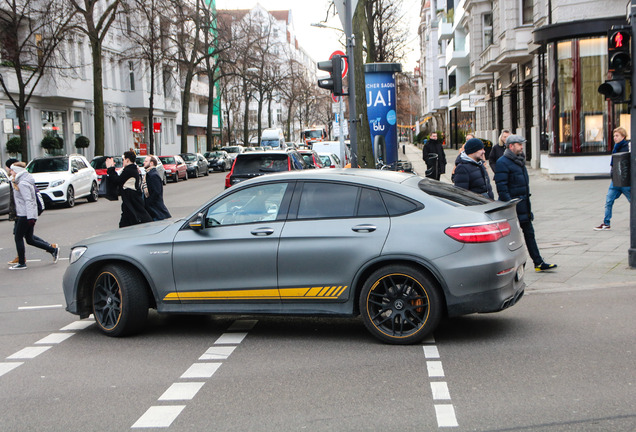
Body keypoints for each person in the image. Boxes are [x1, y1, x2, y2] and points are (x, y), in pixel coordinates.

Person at [495, 134, 557, 272]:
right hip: (513, 209)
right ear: (511, 146)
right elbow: (502, 188)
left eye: (522, 144)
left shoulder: (519, 160)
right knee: (511, 240)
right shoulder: (503, 162)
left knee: (530, 234)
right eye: (519, 144)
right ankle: (510, 267)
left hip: (524, 206)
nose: (522, 147)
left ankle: (538, 262)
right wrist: (511, 206)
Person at [7, 162, 59, 270]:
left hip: (25, 214)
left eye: (12, 170)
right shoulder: (22, 181)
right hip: (27, 214)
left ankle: (22, 263)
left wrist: (30, 217)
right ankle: (52, 250)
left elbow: (28, 200)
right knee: (29, 239)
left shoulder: (23, 183)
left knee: (18, 237)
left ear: (16, 171)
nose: (10, 172)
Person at [594, 127, 631, 230]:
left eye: (617, 135)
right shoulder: (616, 147)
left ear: (623, 137)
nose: (615, 138)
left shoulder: (626, 148)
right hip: (615, 180)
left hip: (625, 181)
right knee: (608, 201)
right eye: (614, 136)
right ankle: (606, 223)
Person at [106, 150, 152, 228]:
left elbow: (117, 180)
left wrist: (110, 168)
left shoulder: (129, 170)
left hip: (131, 202)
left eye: (123, 160)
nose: (123, 162)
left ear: (127, 160)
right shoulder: (131, 169)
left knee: (132, 222)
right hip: (130, 202)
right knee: (129, 222)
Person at [143, 155, 171, 221]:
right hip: (152, 209)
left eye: (146, 161)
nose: (144, 162)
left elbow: (156, 192)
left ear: (151, 163)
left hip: (155, 210)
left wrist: (148, 202)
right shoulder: (149, 174)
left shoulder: (153, 175)